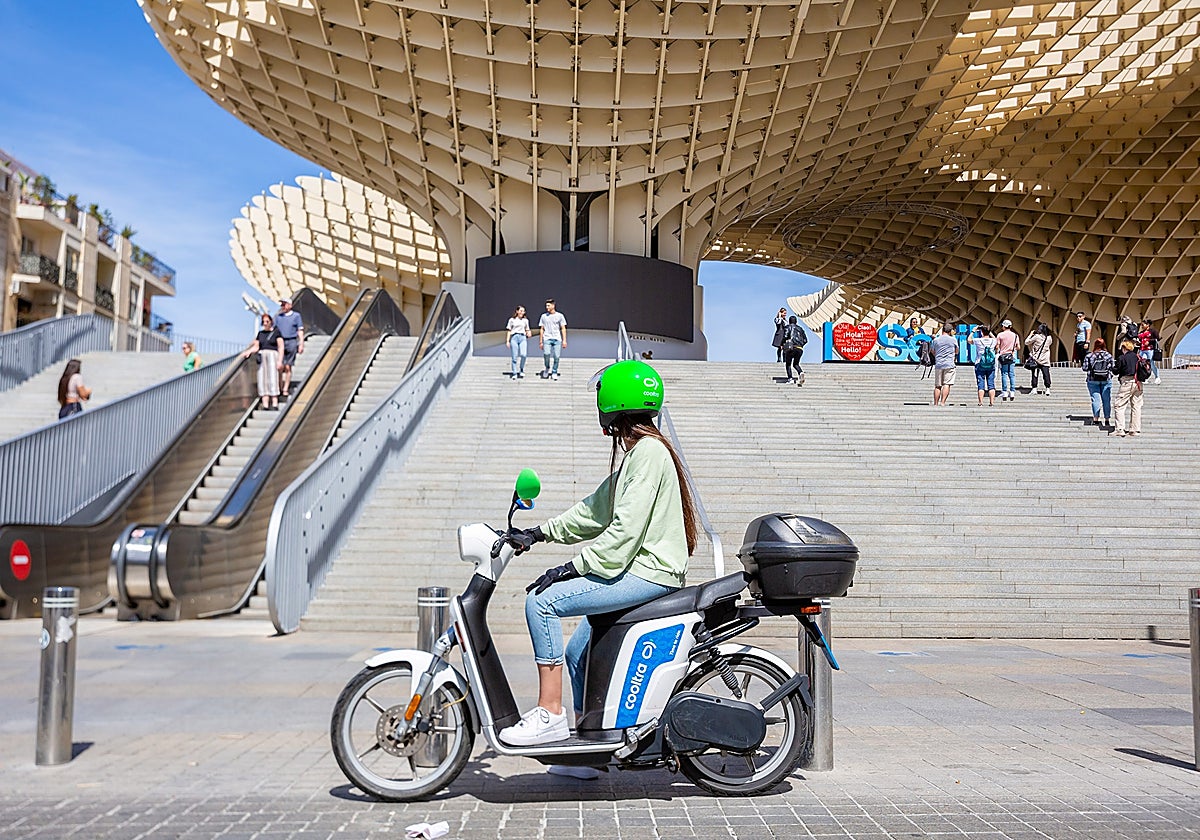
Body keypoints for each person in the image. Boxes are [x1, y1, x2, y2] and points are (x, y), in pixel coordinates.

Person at [499, 359, 698, 755]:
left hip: (649, 573)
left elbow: (625, 532)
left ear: (612, 403)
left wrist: (572, 567)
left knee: (541, 602)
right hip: (642, 570)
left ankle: (549, 714)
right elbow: (594, 511)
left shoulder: (648, 454)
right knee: (576, 652)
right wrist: (538, 533)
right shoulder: (641, 455)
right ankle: (589, 747)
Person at [241, 312, 285, 410]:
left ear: (271, 322)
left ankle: (274, 402)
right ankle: (265, 404)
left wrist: (279, 361)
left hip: (273, 355)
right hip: (262, 356)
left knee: (273, 377)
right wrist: (248, 352)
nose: (265, 323)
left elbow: (281, 347)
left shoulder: (276, 332)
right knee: (262, 378)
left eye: (267, 321)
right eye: (263, 322)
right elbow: (256, 346)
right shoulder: (260, 334)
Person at [1110, 338, 1143, 437]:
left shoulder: (1122, 358)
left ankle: (1120, 428)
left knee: (1119, 405)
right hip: (1138, 383)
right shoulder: (1138, 357)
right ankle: (1135, 429)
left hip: (1127, 382)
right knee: (1136, 406)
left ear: (1124, 348)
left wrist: (1111, 367)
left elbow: (1116, 371)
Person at [274, 296, 305, 398]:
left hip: (291, 341)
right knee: (280, 366)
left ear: (290, 305)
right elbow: (274, 330)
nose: (282, 306)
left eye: (284, 304)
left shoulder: (296, 316)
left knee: (288, 366)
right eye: (282, 304)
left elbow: (300, 330)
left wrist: (301, 343)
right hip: (280, 341)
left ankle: (285, 388)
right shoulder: (279, 317)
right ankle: (280, 386)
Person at [1081, 338, 1114, 428]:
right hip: (1106, 379)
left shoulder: (1090, 356)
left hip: (1092, 380)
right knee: (1106, 400)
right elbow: (1113, 367)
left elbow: (1084, 368)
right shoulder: (1108, 355)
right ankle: (1107, 419)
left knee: (1095, 399)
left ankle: (1096, 418)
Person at [968, 324, 998, 406]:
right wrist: (989, 331)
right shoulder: (993, 341)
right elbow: (995, 339)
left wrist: (973, 331)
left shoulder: (978, 340)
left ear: (981, 332)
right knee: (991, 384)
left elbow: (969, 340)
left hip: (979, 363)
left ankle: (980, 402)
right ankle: (992, 402)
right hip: (991, 364)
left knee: (981, 383)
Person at [538, 299, 567, 380]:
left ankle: (554, 371)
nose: (547, 307)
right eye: (546, 305)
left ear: (553, 306)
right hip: (547, 338)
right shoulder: (543, 316)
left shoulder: (560, 316)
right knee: (546, 354)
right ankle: (547, 368)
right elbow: (541, 329)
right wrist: (540, 341)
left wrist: (564, 340)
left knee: (556, 356)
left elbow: (563, 328)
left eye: (548, 305)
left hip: (557, 338)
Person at [931, 323, 958, 405]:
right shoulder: (953, 340)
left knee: (938, 385)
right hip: (949, 364)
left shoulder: (936, 340)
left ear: (942, 330)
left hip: (939, 364)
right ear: (950, 331)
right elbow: (957, 351)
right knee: (947, 384)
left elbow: (932, 351)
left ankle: (935, 403)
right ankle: (942, 402)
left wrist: (937, 355)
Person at [994, 320, 1020, 401]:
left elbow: (997, 346)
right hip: (1011, 356)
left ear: (1004, 326)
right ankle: (1012, 391)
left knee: (1004, 374)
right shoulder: (1015, 335)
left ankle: (1004, 391)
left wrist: (999, 351)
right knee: (1012, 374)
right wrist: (1012, 349)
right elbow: (1018, 347)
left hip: (1003, 357)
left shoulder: (1000, 335)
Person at [1026, 323, 1053, 394]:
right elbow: (1049, 345)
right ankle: (1047, 389)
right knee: (1046, 374)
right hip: (1045, 359)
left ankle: (1034, 388)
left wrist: (1031, 334)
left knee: (1035, 374)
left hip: (1036, 359)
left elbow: (1026, 342)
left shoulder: (1036, 337)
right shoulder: (1049, 338)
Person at [780, 315, 807, 385]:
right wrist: (801, 345)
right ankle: (800, 372)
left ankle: (790, 379)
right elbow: (805, 340)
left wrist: (782, 344)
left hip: (791, 348)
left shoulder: (788, 327)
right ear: (796, 321)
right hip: (800, 349)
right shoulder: (800, 329)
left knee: (788, 364)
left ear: (789, 321)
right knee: (796, 364)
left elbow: (785, 336)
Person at [505, 305, 531, 379]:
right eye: (520, 311)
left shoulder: (525, 320)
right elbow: (509, 330)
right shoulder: (512, 320)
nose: (522, 312)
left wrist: (529, 332)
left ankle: (521, 369)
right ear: (517, 311)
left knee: (523, 354)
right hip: (514, 337)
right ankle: (514, 372)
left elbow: (527, 329)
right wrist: (507, 341)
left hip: (522, 337)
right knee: (514, 356)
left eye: (523, 311)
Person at [1138, 319, 1161, 384]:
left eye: (1143, 325)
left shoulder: (1153, 331)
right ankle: (1145, 377)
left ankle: (1157, 377)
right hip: (1142, 349)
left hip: (1150, 349)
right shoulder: (1141, 332)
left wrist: (1149, 341)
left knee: (1151, 363)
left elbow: (1157, 339)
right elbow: (1140, 339)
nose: (1142, 326)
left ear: (1148, 325)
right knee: (1142, 364)